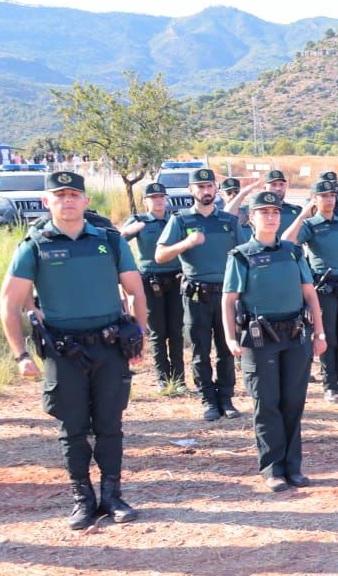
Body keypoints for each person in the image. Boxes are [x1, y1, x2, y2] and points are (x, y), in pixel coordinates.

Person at [0, 170, 148, 528]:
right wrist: (21, 355)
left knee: (110, 425)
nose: (67, 201)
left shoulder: (109, 241)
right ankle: (83, 499)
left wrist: (138, 335)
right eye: (59, 195)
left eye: (73, 195)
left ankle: (112, 496)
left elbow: (135, 291)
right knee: (73, 429)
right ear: (46, 202)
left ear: (85, 201)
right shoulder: (35, 245)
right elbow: (9, 301)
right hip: (65, 353)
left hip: (110, 348)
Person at [222, 191, 326, 492]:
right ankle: (272, 468)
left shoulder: (293, 252)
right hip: (258, 339)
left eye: (275, 212)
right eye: (263, 212)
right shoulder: (241, 255)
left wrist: (319, 333)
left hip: (295, 335)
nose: (271, 217)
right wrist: (230, 337)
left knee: (293, 402)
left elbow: (310, 294)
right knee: (266, 403)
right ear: (251, 218)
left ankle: (293, 467)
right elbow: (229, 301)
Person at [156, 167, 246, 422]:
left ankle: (226, 398)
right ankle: (208, 398)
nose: (206, 191)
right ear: (191, 190)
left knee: (226, 349)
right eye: (201, 187)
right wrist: (187, 243)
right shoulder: (181, 221)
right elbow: (160, 256)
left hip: (226, 295)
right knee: (200, 349)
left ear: (216, 189)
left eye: (210, 187)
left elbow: (241, 255)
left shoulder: (228, 222)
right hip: (197, 295)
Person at [286, 179, 338, 401]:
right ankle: (330, 385)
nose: (329, 200)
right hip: (324, 288)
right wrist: (303, 214)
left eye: (332, 196)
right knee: (327, 336)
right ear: (315, 199)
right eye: (323, 196)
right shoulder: (310, 225)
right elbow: (287, 241)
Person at [121, 182, 185, 389]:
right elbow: (118, 242)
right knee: (158, 332)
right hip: (151, 281)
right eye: (153, 197)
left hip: (175, 278)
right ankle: (162, 379)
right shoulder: (139, 221)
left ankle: (179, 379)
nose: (158, 200)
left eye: (161, 197)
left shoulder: (175, 220)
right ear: (145, 201)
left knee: (176, 331)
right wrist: (129, 230)